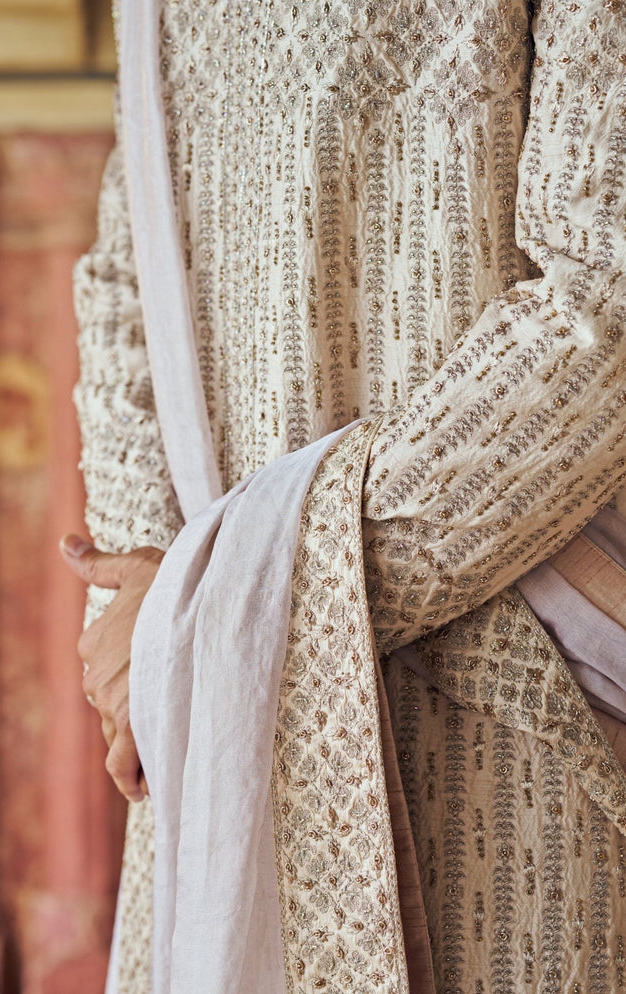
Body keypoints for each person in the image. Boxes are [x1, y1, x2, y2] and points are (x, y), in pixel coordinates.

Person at [61, 0, 626, 989]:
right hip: (216, 717)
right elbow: (127, 262)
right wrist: (150, 592)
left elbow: (608, 294)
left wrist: (223, 604)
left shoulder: (208, 616)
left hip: (509, 685)